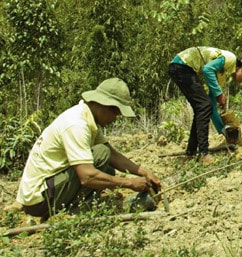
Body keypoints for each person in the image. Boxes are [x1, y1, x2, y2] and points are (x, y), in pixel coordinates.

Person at [16, 78, 162, 220]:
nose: (115, 118)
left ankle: (77, 206)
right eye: (115, 113)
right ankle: (74, 212)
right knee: (100, 156)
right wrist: (129, 183)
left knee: (107, 167)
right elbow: (87, 177)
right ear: (103, 104)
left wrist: (143, 172)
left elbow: (113, 156)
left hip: (49, 189)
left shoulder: (87, 117)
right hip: (39, 200)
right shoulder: (77, 125)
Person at [168, 47, 242, 161]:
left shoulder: (222, 75)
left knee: (202, 108)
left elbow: (211, 106)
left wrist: (223, 130)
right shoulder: (230, 59)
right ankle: (204, 153)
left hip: (182, 68)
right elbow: (207, 69)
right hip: (181, 66)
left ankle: (190, 154)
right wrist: (219, 93)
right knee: (203, 106)